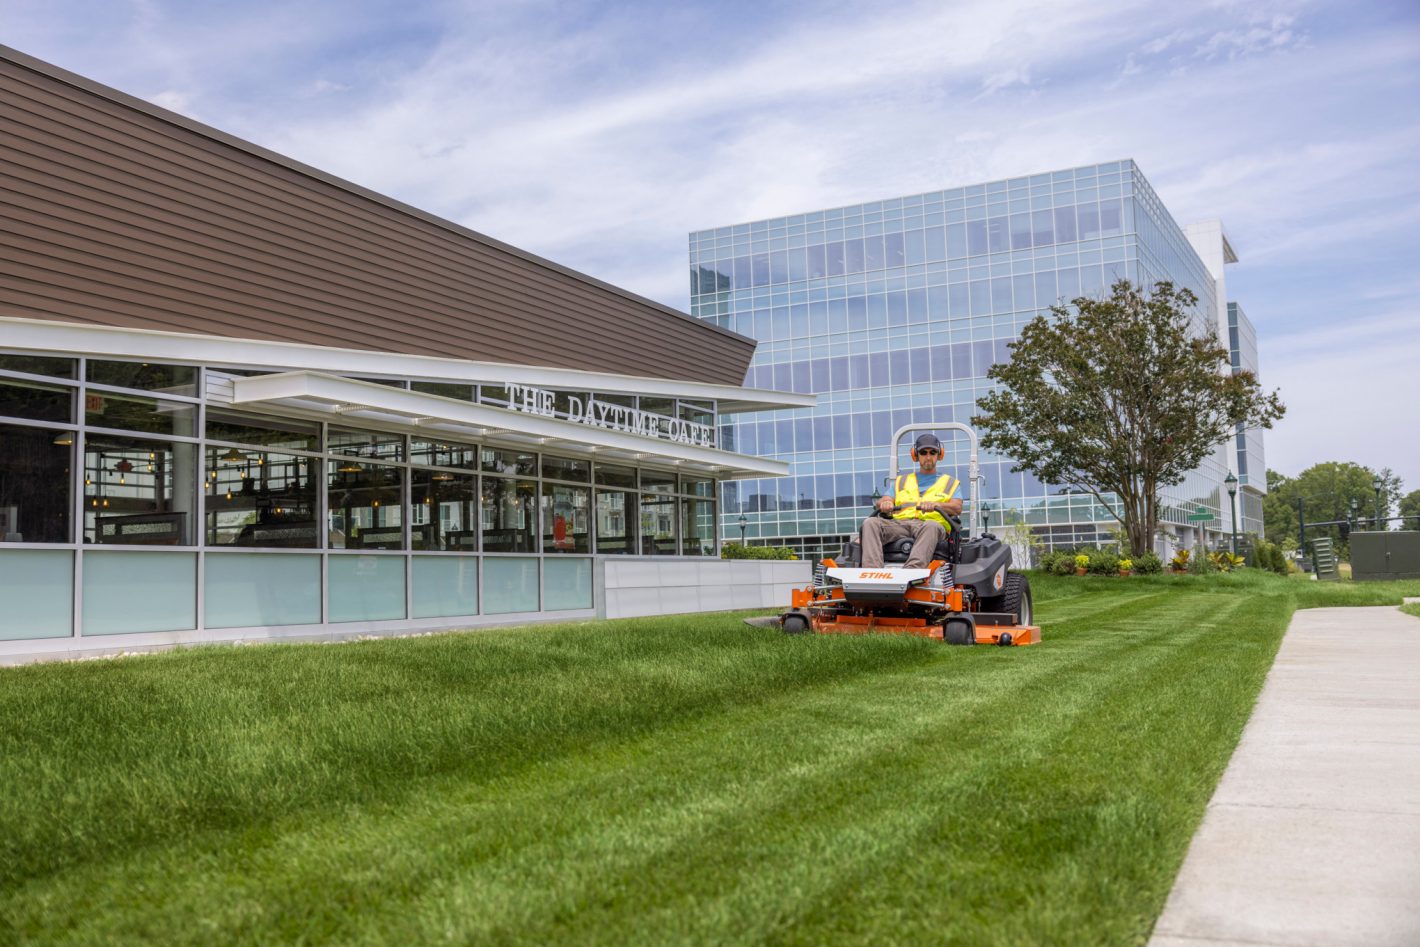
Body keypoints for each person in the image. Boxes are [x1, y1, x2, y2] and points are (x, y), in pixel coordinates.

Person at [860, 432, 965, 568]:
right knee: (870, 522)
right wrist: (886, 503)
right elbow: (883, 500)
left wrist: (937, 505)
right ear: (915, 455)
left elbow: (957, 507)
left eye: (932, 452)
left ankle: (912, 572)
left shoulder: (950, 483)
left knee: (931, 526)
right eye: (923, 452)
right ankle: (873, 573)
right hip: (900, 525)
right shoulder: (901, 481)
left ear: (939, 455)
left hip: (931, 525)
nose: (928, 457)